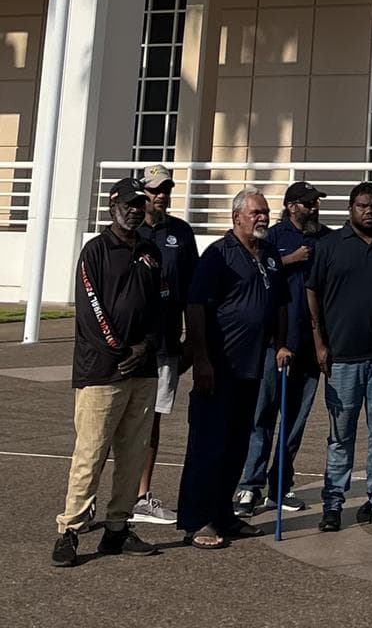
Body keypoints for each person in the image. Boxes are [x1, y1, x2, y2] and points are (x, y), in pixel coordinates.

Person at [53, 178, 163, 567]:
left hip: (143, 369)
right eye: (130, 203)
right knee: (90, 452)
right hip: (102, 370)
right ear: (113, 204)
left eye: (141, 204)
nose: (136, 210)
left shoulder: (151, 251)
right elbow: (91, 309)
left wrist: (145, 346)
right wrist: (120, 350)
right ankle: (70, 530)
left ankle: (117, 529)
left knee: (133, 454)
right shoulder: (95, 251)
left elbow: (158, 309)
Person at [177, 187, 291, 550]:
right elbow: (195, 308)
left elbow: (280, 303)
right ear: (237, 217)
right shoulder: (218, 256)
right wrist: (201, 360)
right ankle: (198, 520)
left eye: (266, 212)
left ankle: (224, 513)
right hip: (219, 368)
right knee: (207, 446)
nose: (263, 217)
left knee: (236, 445)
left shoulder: (270, 255)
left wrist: (282, 341)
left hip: (251, 368)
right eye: (256, 212)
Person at [308, 182, 372, 532]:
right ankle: (333, 505)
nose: (369, 211)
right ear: (350, 209)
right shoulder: (329, 245)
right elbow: (312, 291)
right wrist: (319, 342)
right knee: (341, 437)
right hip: (342, 359)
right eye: (362, 205)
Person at [234, 181, 330, 518]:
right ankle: (250, 485)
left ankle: (280, 486)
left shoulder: (325, 237)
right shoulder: (273, 237)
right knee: (262, 416)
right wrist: (291, 259)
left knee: (295, 422)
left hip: (310, 346)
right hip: (277, 344)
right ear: (291, 207)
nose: (314, 209)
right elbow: (260, 272)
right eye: (307, 204)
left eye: (315, 203)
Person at [131, 164, 196, 525]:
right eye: (155, 189)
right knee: (115, 420)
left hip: (167, 343)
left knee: (152, 421)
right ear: (143, 192)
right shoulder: (129, 231)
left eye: (166, 189)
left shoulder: (181, 233)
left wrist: (192, 342)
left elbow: (192, 291)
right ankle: (96, 497)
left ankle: (142, 496)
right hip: (129, 346)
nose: (161, 195)